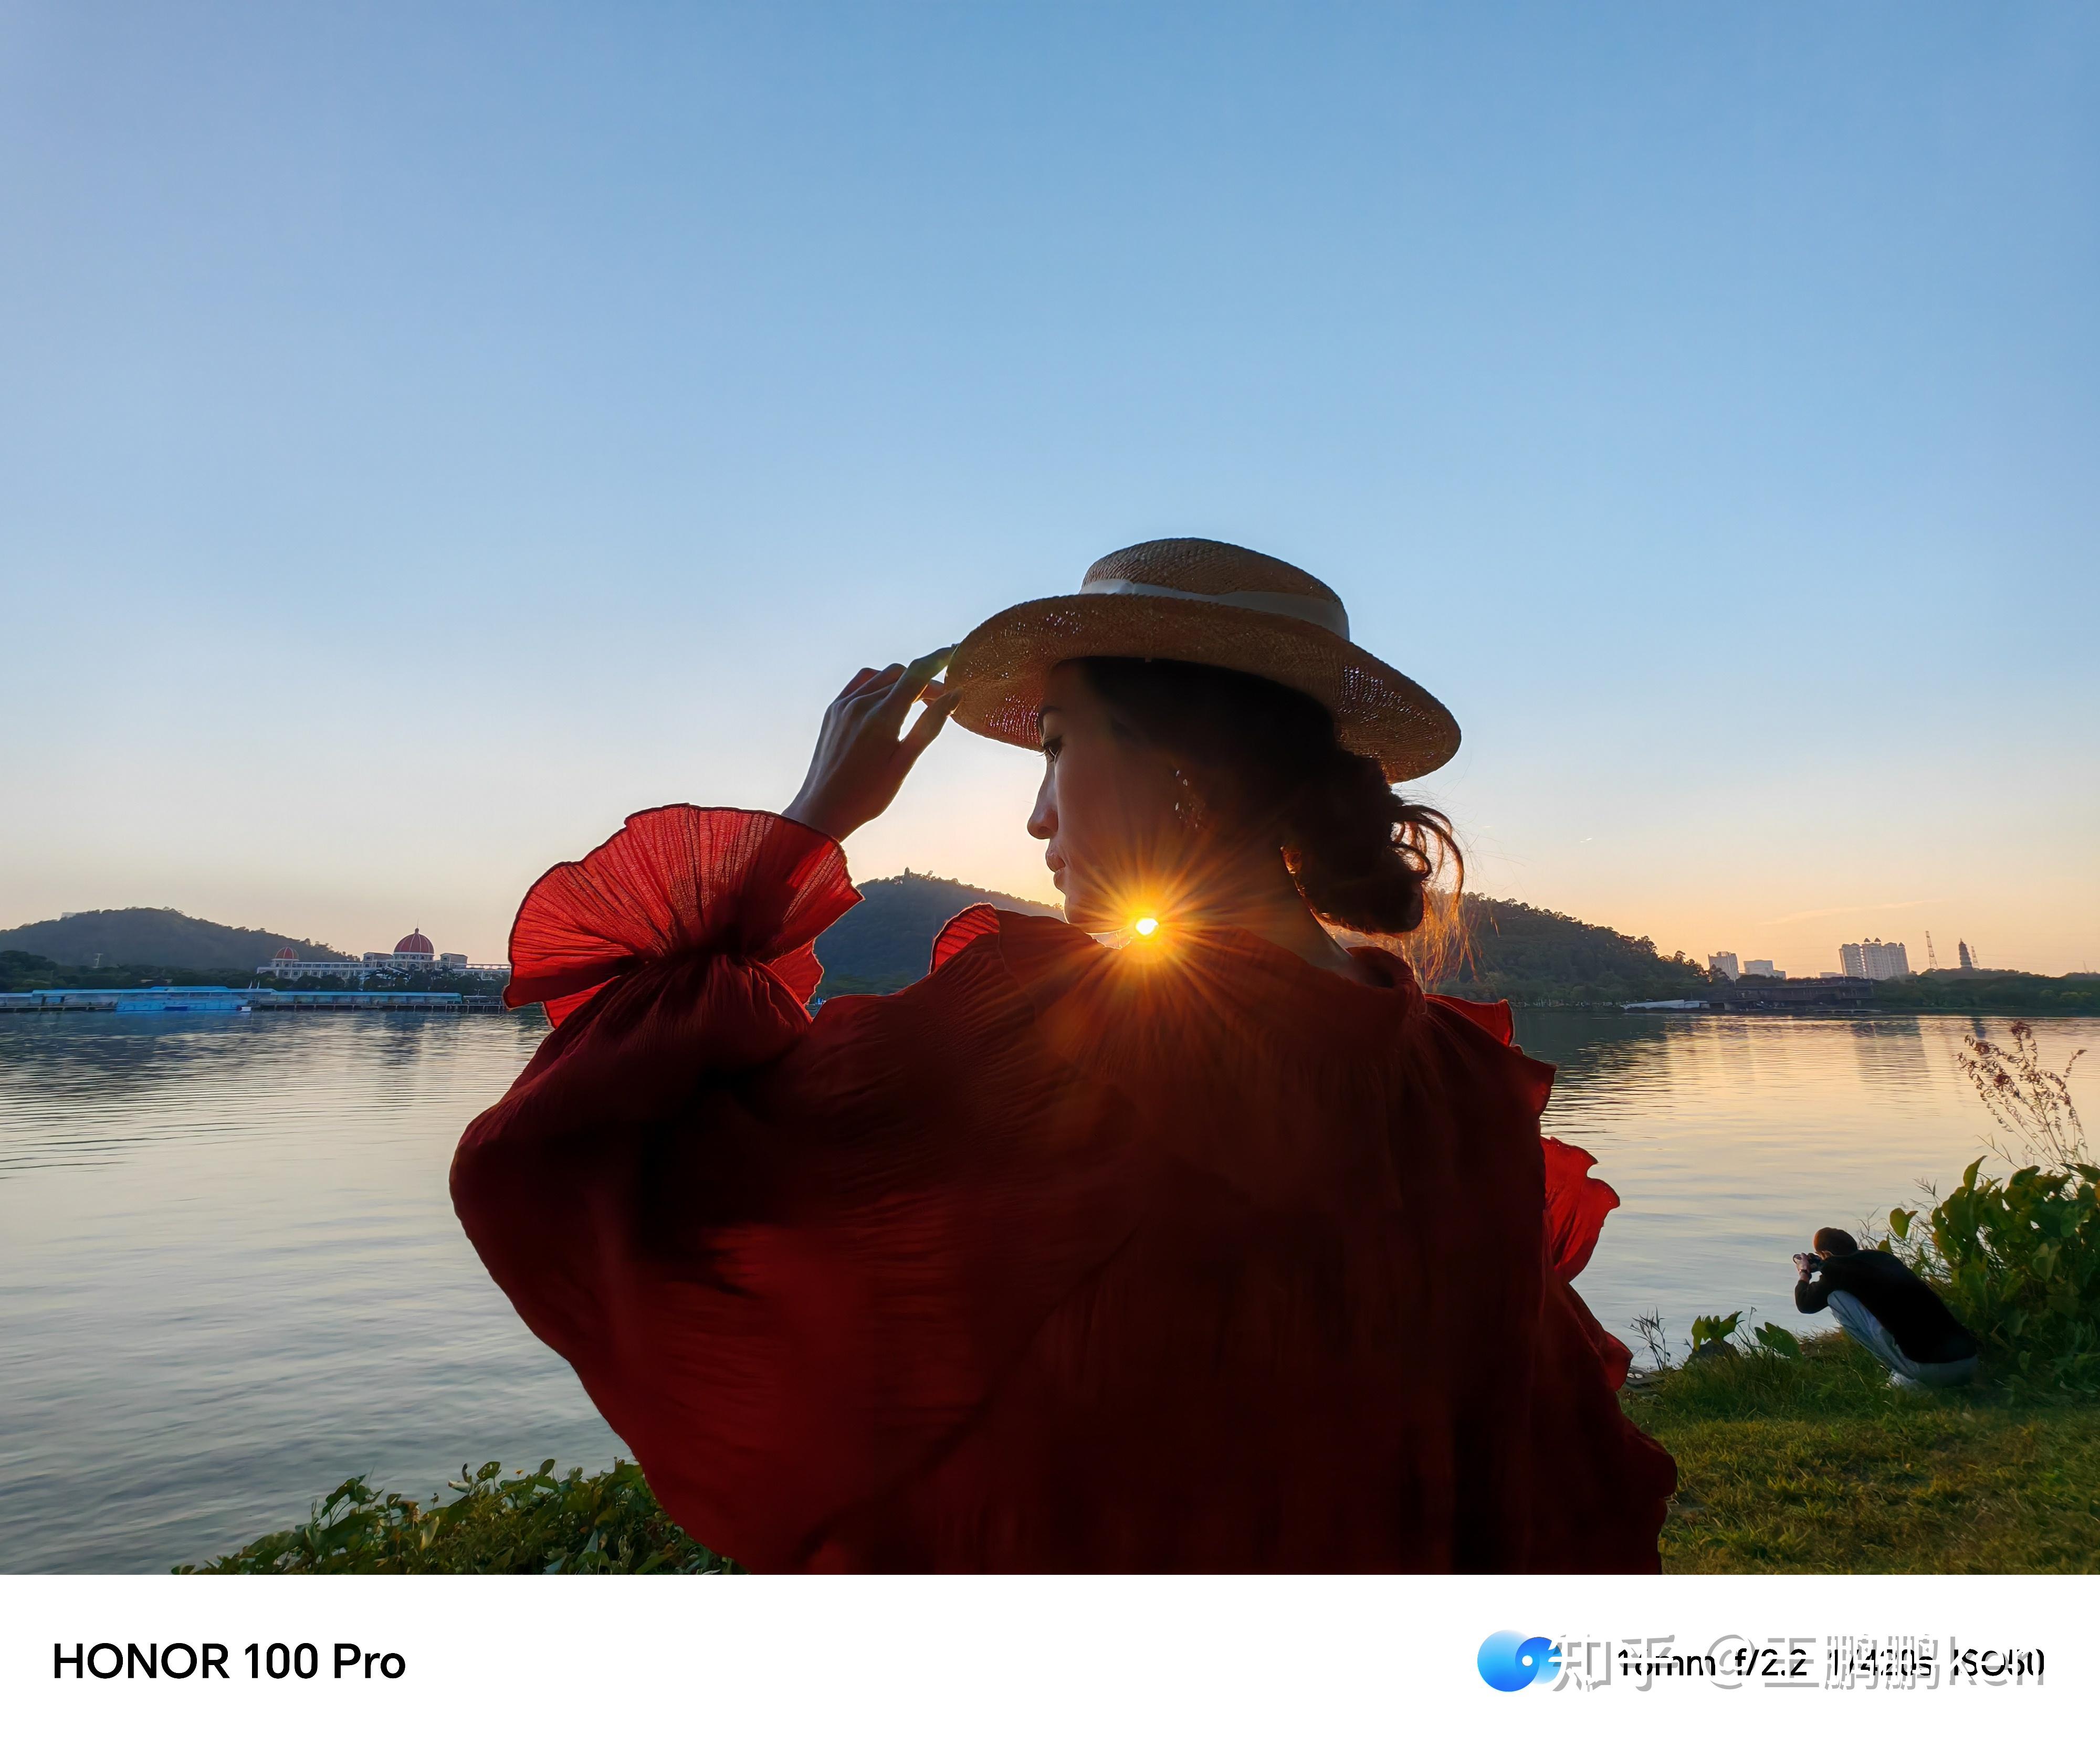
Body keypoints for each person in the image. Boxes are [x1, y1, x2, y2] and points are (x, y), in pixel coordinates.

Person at [452, 536, 1676, 1572]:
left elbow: (573, 1141)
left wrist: (820, 812)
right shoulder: (1454, 1089)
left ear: (1180, 775)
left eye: (1056, 746)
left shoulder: (1040, 1040)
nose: (1037, 813)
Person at [1793, 1227, 1980, 1388]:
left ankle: (1905, 1376)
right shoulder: (1884, 1259)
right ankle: (1914, 1374)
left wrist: (1804, 1272)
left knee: (1836, 1298)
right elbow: (1855, 1271)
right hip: (1970, 1363)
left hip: (1929, 1370)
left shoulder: (1834, 1272)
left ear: (1826, 1254)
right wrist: (1824, 1265)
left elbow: (1805, 1304)